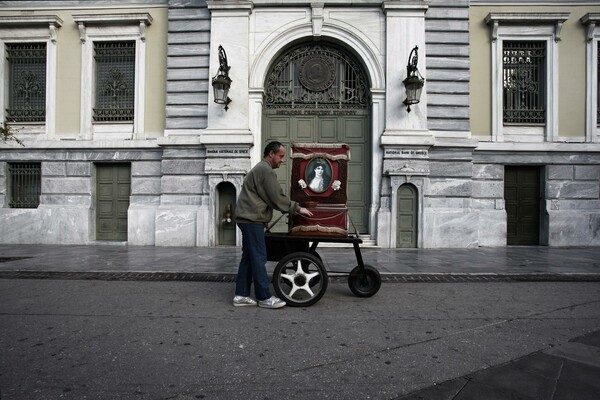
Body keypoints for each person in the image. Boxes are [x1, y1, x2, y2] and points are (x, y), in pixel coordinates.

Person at [233, 141, 313, 309]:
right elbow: (276, 197)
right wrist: (297, 208)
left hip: (246, 218)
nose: (282, 160)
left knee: (248, 258)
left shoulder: (261, 168)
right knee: (258, 257)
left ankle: (241, 296)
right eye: (280, 156)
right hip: (251, 220)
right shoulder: (266, 171)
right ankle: (264, 298)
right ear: (271, 154)